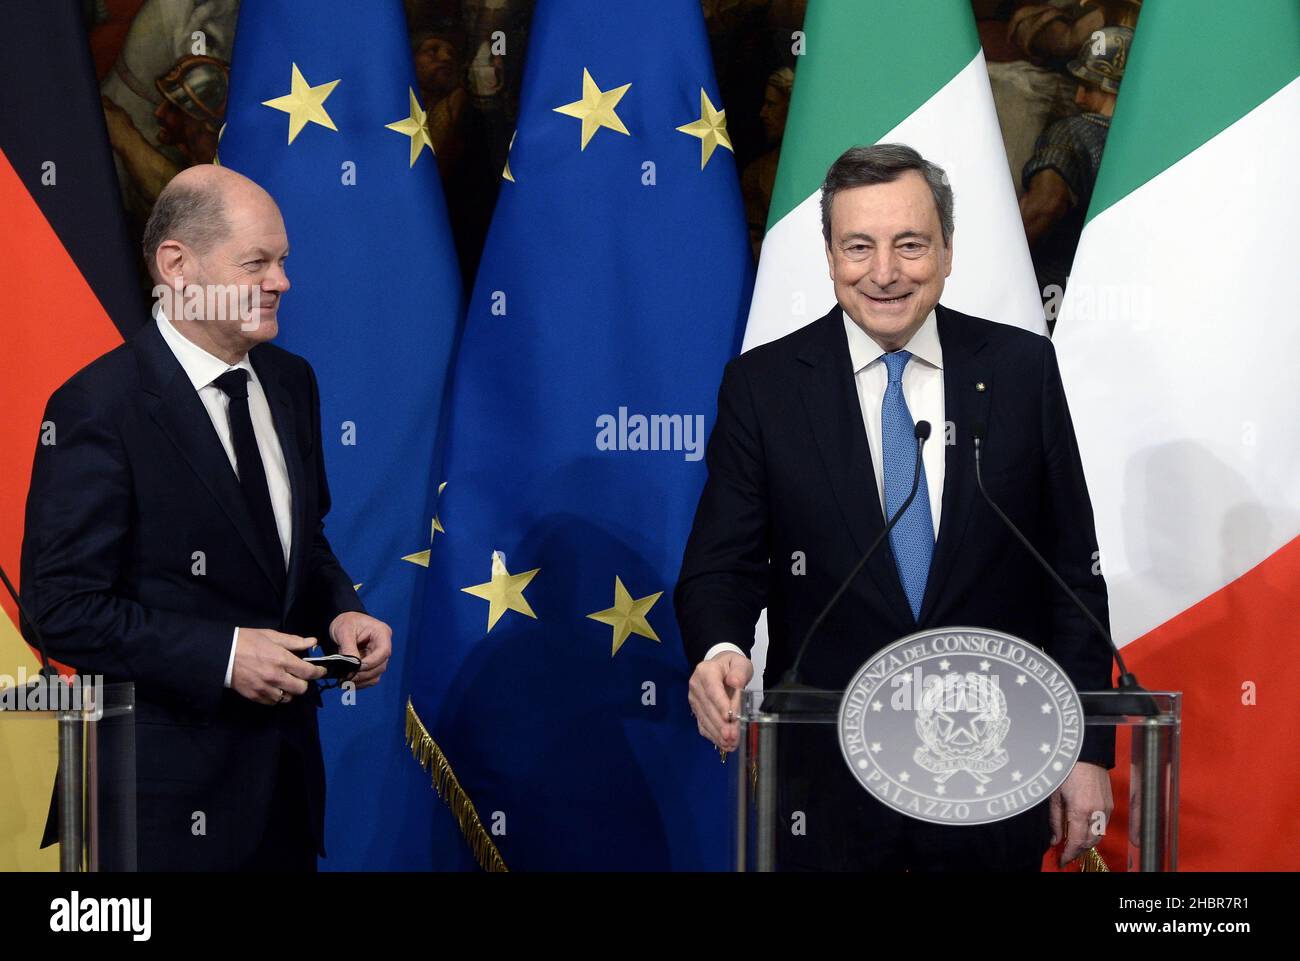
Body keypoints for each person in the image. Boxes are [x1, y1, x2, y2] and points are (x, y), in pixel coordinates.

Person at [676, 144, 1114, 871]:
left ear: (946, 251)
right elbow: (720, 566)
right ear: (828, 255)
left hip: (990, 779)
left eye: (910, 245)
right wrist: (721, 648)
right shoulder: (766, 387)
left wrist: (1084, 747)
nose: (884, 272)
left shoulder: (1019, 369)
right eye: (859, 247)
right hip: (826, 791)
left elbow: (1073, 576)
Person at [19, 165, 392, 871]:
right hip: (150, 807)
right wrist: (224, 655)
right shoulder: (98, 407)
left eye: (283, 261)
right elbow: (59, 607)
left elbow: (298, 541)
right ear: (177, 266)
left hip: (282, 790)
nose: (282, 282)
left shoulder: (291, 383)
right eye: (257, 262)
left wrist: (342, 608)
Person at [1020, 26, 1132, 298]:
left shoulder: (1072, 133)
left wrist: (991, 264)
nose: (1079, 97)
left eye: (1089, 87)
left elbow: (1043, 208)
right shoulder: (1153, 144)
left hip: (1054, 292)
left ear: (1112, 87)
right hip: (1121, 295)